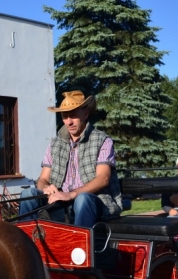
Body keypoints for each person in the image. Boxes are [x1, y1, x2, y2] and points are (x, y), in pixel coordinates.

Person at [19, 90, 123, 227]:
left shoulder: (102, 140)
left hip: (94, 201)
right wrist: (46, 188)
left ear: (85, 114)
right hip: (59, 202)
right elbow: (42, 179)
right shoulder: (55, 143)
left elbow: (103, 178)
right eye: (65, 116)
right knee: (28, 194)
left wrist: (71, 194)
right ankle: (26, 243)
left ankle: (79, 246)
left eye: (73, 116)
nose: (69, 122)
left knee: (82, 199)